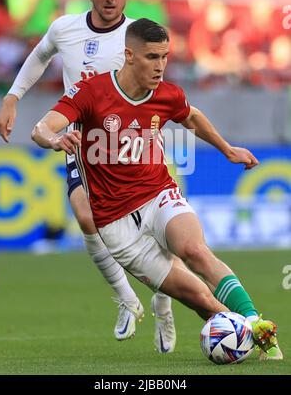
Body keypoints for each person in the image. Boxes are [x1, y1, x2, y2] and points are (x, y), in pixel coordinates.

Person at [31, 18, 283, 361]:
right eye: (152, 57)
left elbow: (191, 117)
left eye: (164, 56)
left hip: (157, 195)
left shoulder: (166, 94)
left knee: (195, 250)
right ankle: (211, 322)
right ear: (129, 56)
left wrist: (227, 149)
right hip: (116, 224)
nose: (160, 66)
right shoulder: (92, 91)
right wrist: (55, 139)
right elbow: (42, 127)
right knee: (204, 303)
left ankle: (258, 326)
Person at [0, 0, 177, 352]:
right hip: (83, 140)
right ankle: (127, 299)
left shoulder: (139, 34)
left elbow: (158, 84)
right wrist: (12, 97)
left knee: (161, 232)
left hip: (135, 142)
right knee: (84, 215)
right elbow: (40, 55)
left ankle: (164, 301)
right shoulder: (66, 28)